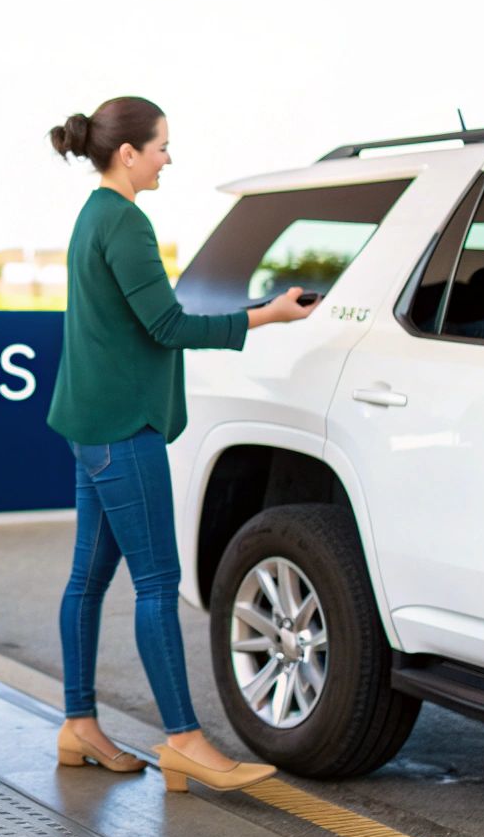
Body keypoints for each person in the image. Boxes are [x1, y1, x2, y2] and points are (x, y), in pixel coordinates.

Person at [45, 97, 314, 794]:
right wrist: (270, 315)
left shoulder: (91, 216)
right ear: (128, 153)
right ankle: (186, 742)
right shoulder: (126, 222)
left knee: (89, 580)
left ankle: (78, 725)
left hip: (89, 424)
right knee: (158, 586)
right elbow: (167, 325)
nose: (170, 158)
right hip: (122, 429)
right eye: (163, 145)